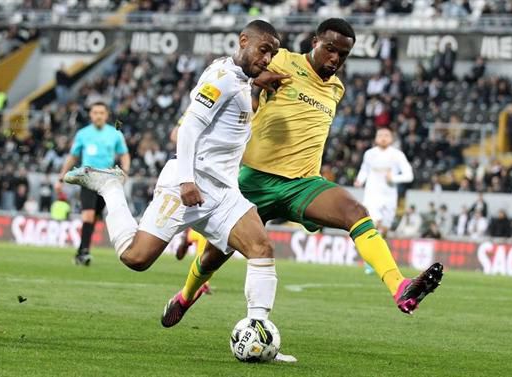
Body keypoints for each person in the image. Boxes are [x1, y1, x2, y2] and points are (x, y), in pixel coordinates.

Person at [178, 18, 443, 318]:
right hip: (255, 180)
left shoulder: (337, 89)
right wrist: (255, 81)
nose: (335, 59)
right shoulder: (281, 58)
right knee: (216, 253)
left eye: (343, 55)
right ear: (315, 42)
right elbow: (232, 68)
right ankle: (186, 295)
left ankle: (400, 287)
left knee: (355, 213)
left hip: (303, 185)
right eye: (330, 49)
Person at [63, 21, 289, 345]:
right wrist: (186, 181)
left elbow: (239, 79)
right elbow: (188, 129)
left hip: (224, 192)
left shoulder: (237, 77)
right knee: (136, 258)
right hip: (189, 184)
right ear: (243, 41)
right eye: (263, 50)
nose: (268, 59)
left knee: (261, 247)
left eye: (273, 54)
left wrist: (259, 78)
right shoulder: (222, 79)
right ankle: (111, 188)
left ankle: (259, 332)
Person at [56, 102, 131, 266]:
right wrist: (61, 177)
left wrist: (125, 171)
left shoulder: (115, 134)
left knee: (95, 217)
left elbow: (124, 154)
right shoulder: (83, 134)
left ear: (106, 115)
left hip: (107, 181)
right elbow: (73, 156)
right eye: (95, 112)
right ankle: (84, 252)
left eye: (101, 113)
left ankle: (81, 251)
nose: (98, 115)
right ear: (90, 115)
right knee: (88, 215)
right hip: (88, 179)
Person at [354, 127, 413, 274]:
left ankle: (377, 257)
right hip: (372, 195)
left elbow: (409, 175)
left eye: (386, 135)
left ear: (391, 138)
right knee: (373, 224)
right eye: (380, 135)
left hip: (389, 197)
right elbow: (364, 169)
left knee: (384, 230)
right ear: (375, 138)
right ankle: (370, 261)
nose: (383, 138)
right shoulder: (369, 154)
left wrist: (393, 178)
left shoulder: (397, 155)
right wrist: (360, 180)